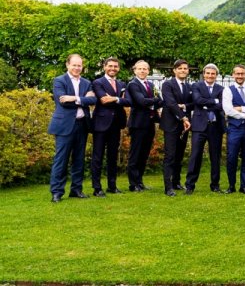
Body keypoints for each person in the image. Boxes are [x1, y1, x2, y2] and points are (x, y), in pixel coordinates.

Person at [48, 54, 96, 202]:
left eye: (79, 65)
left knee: (79, 160)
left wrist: (74, 98)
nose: (77, 68)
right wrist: (83, 99)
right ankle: (57, 192)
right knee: (61, 160)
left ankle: (76, 189)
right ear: (67, 65)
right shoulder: (59, 80)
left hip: (82, 125)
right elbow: (63, 101)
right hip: (64, 126)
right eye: (74, 65)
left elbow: (93, 99)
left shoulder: (87, 82)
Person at [90, 57, 129, 197]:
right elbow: (103, 99)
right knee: (98, 156)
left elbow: (129, 101)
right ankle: (97, 188)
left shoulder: (121, 83)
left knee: (113, 157)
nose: (113, 69)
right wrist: (119, 99)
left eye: (115, 66)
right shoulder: (97, 82)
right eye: (110, 66)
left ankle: (112, 186)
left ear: (118, 68)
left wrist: (115, 98)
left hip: (116, 124)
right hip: (101, 124)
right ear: (104, 67)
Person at [185, 63, 225, 194]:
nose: (210, 76)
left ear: (216, 75)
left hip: (215, 126)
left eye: (213, 74)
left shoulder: (221, 88)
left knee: (215, 157)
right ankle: (190, 185)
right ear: (204, 74)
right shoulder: (196, 85)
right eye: (208, 73)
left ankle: (215, 185)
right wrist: (214, 102)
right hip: (199, 126)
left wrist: (207, 103)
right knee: (195, 156)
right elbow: (197, 100)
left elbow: (222, 105)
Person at [125, 60, 163, 191]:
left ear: (148, 71)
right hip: (138, 124)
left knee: (144, 154)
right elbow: (140, 101)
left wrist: (152, 102)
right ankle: (133, 184)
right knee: (135, 154)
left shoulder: (151, 84)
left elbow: (160, 101)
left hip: (150, 123)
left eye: (145, 69)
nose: (142, 71)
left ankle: (139, 181)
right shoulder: (133, 85)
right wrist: (154, 102)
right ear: (134, 70)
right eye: (139, 69)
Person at [222, 64, 245, 195]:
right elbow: (228, 110)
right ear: (233, 75)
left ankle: (244, 186)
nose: (240, 76)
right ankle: (231, 186)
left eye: (242, 73)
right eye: (237, 74)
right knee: (231, 157)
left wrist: (240, 108)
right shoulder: (228, 90)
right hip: (234, 128)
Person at [160, 59, 192, 196]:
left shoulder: (189, 87)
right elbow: (171, 103)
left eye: (185, 68)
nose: (183, 70)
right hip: (171, 124)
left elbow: (194, 103)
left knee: (179, 155)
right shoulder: (167, 84)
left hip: (184, 126)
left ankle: (176, 182)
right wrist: (184, 117)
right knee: (170, 156)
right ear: (174, 70)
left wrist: (184, 106)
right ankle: (168, 187)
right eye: (180, 68)